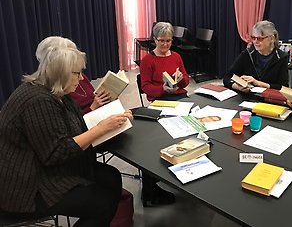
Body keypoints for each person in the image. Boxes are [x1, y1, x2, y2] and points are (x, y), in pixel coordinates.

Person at [0, 46, 133, 226]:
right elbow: (56, 153)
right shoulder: (38, 101)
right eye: (76, 73)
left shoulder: (56, 92)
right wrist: (100, 129)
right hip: (27, 185)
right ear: (61, 73)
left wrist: (113, 118)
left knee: (111, 177)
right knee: (102, 203)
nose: (81, 78)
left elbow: (75, 126)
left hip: (43, 167)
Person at [35, 36, 110, 114]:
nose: (81, 77)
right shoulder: (58, 87)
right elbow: (73, 120)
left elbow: (93, 95)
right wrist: (92, 108)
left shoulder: (79, 76)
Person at [223, 20, 289, 92]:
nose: (255, 42)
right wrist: (238, 87)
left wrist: (258, 83)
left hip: (268, 98)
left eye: (260, 38)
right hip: (246, 97)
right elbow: (227, 77)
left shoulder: (281, 57)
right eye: (253, 38)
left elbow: (283, 88)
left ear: (272, 38)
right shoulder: (247, 54)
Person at [140, 22, 190, 101]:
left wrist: (182, 78)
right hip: (160, 98)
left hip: (179, 95)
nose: (165, 44)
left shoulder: (176, 56)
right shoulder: (147, 60)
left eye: (168, 41)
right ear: (155, 40)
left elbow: (186, 81)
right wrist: (163, 89)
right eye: (162, 41)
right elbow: (145, 87)